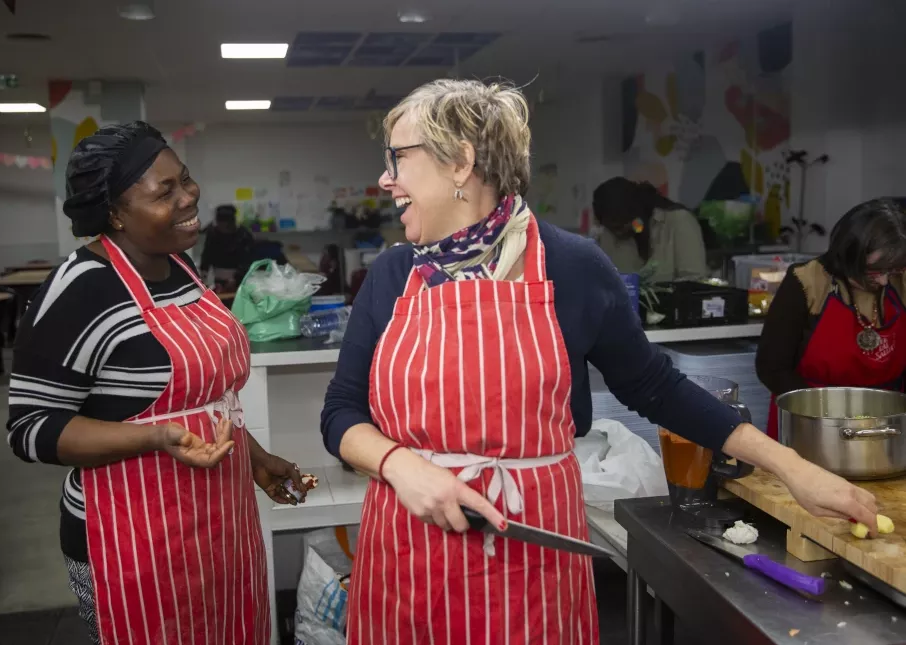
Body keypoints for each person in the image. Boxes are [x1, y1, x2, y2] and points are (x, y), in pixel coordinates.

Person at [320, 79, 879, 644]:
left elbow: (656, 388)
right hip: (408, 554)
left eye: (398, 158)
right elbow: (341, 413)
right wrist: (401, 465)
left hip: (533, 563)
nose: (386, 179)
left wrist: (792, 467)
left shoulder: (572, 266)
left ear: (461, 162)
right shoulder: (391, 278)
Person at [7, 121, 307, 645]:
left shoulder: (181, 267)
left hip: (218, 519)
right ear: (115, 213)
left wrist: (252, 455)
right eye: (165, 191)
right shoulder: (79, 290)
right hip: (127, 538)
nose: (190, 196)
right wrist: (155, 436)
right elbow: (31, 429)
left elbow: (203, 396)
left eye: (185, 179)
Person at [757, 198, 906, 441]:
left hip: (887, 426)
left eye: (893, 270)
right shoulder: (807, 282)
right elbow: (771, 368)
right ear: (848, 252)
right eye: (874, 271)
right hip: (811, 423)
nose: (884, 282)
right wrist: (828, 414)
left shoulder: (900, 283)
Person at [592, 176, 708, 281]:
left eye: (623, 224)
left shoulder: (678, 222)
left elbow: (694, 281)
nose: (619, 232)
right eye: (612, 228)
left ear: (638, 211)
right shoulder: (608, 235)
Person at [200, 203, 255, 291]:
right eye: (219, 225)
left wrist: (236, 278)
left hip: (240, 279)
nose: (222, 229)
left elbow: (247, 261)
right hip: (218, 278)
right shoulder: (213, 233)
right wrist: (203, 273)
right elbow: (207, 255)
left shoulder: (243, 235)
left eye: (225, 226)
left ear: (231, 223)